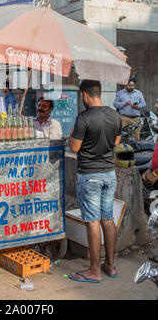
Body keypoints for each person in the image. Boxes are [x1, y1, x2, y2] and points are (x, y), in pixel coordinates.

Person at [68, 80, 122, 283]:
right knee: (107, 219)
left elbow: (73, 147)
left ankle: (93, 270)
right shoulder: (115, 114)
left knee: (92, 222)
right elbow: (116, 142)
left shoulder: (84, 118)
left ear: (84, 95)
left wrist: (74, 134)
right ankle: (109, 264)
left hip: (89, 175)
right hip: (109, 173)